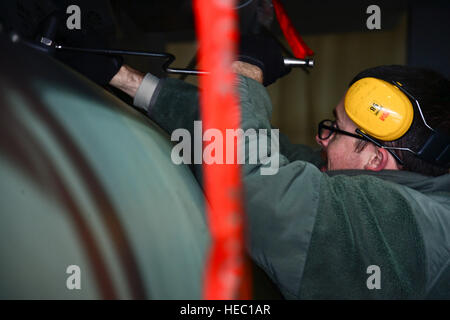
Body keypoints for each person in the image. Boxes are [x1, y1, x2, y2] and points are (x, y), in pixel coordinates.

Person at [62, 36, 450, 299]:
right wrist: (123, 78)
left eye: (334, 131)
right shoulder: (402, 183)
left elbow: (252, 182)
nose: (321, 140)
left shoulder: (417, 231)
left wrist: (242, 72)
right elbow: (264, 153)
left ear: (375, 159)